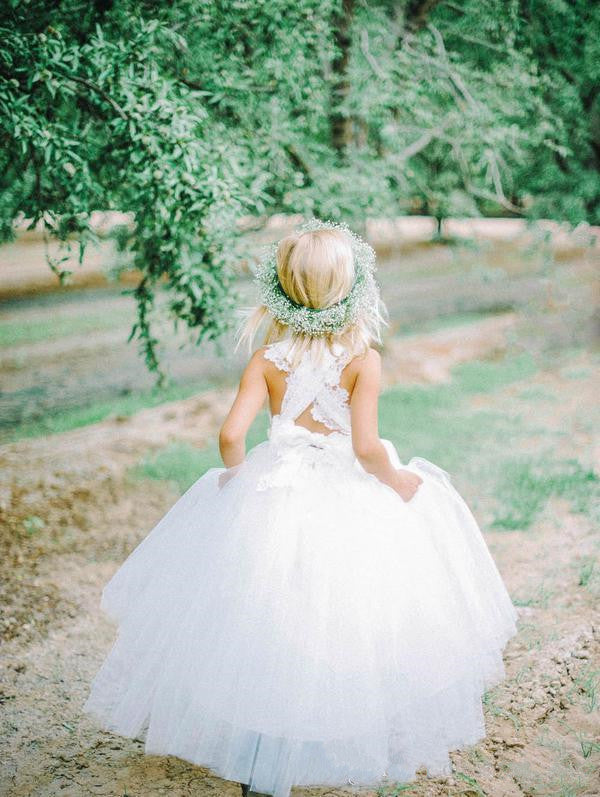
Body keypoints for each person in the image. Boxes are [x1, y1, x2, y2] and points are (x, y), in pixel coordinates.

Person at [83, 218, 519, 797]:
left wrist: (239, 479)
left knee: (266, 613)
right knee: (349, 614)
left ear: (281, 287)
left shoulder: (267, 359)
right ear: (353, 287)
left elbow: (230, 437)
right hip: (344, 492)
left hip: (276, 490)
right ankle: (327, 732)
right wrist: (397, 480)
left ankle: (262, 748)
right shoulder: (363, 360)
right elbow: (365, 449)